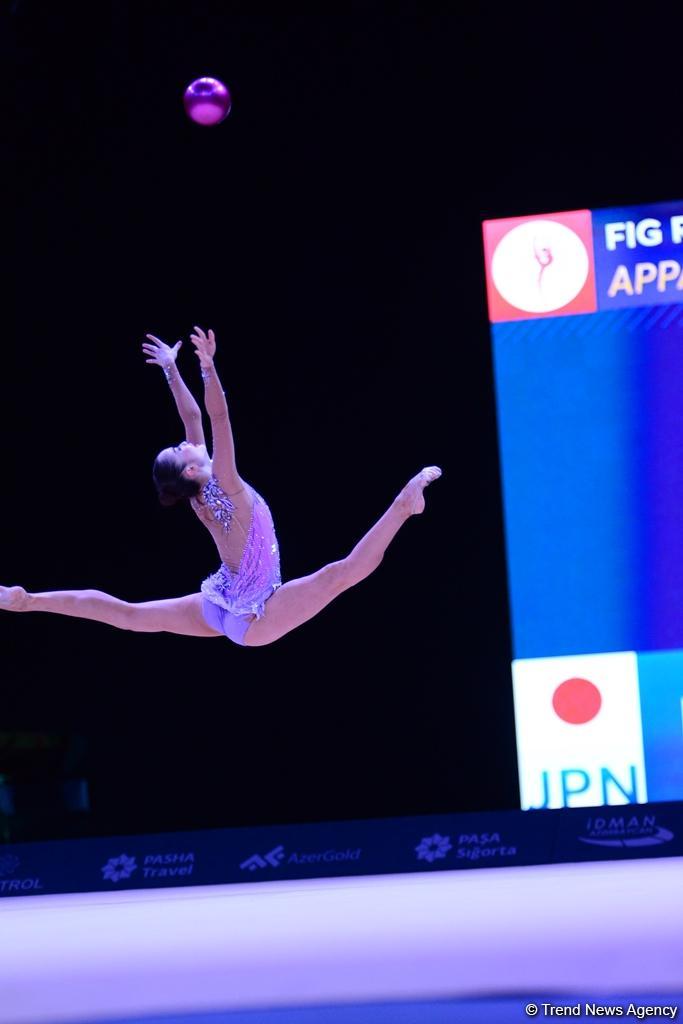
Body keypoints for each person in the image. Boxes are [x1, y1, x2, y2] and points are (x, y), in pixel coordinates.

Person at [0, 327, 441, 647]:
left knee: (130, 615)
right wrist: (208, 369)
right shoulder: (224, 484)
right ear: (190, 470)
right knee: (340, 575)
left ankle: (25, 600)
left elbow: (193, 422)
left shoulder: (202, 493)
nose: (183, 443)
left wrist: (173, 370)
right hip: (256, 615)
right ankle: (403, 505)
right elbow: (217, 419)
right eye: (179, 450)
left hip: (220, 604)